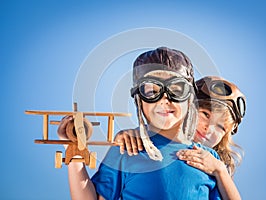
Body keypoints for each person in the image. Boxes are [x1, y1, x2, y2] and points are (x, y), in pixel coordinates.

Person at [58, 47, 221, 199]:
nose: (164, 100)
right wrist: (75, 153)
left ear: (190, 97)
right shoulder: (127, 150)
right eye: (151, 92)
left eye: (176, 90)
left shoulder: (207, 159)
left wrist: (220, 171)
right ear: (139, 99)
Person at [114, 76, 246, 200]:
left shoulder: (214, 165)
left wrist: (220, 171)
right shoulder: (150, 141)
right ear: (187, 107)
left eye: (220, 127)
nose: (209, 128)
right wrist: (128, 136)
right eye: (206, 114)